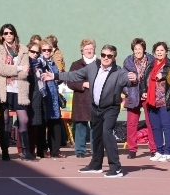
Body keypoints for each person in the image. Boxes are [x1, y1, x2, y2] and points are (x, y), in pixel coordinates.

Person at [43, 44, 138, 177]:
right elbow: (75, 75)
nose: (106, 58)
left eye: (109, 56)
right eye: (103, 55)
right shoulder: (93, 67)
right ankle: (96, 165)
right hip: (95, 107)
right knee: (97, 136)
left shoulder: (119, 71)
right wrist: (54, 76)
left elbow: (128, 80)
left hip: (111, 108)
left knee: (106, 133)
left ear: (114, 58)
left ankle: (116, 168)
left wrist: (134, 79)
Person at [0, 23, 33, 161]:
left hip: (19, 89)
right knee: (5, 119)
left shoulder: (23, 49)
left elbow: (25, 73)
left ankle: (26, 151)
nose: (9, 35)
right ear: (2, 35)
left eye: (11, 33)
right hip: (4, 89)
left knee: (24, 119)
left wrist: (12, 73)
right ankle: (5, 151)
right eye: (6, 33)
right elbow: (0, 69)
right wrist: (19, 68)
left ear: (14, 34)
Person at [122, 38, 155, 159]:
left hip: (147, 95)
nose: (137, 51)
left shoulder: (152, 60)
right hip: (132, 94)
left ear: (144, 49)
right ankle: (132, 149)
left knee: (151, 122)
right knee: (131, 123)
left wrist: (150, 92)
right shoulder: (127, 62)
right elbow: (123, 79)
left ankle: (153, 149)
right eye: (135, 49)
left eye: (139, 48)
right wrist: (127, 91)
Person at [33, 41, 65, 159]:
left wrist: (58, 79)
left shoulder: (53, 63)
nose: (47, 52)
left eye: (49, 50)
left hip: (53, 96)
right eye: (44, 50)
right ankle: (42, 150)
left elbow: (58, 78)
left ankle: (55, 150)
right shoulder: (38, 62)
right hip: (43, 96)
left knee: (55, 123)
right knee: (42, 124)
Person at [142, 42, 170, 162]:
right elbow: (144, 79)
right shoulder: (150, 65)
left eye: (162, 50)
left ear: (166, 52)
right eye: (157, 51)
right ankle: (159, 150)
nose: (159, 53)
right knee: (155, 127)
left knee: (166, 126)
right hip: (151, 101)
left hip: (165, 100)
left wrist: (163, 74)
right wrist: (143, 91)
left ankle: (168, 151)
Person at [67, 39, 97, 159]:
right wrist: (83, 84)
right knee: (80, 126)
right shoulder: (76, 65)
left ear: (94, 49)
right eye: (86, 49)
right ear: (82, 51)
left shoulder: (100, 63)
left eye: (91, 48)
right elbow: (70, 82)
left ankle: (96, 149)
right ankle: (80, 150)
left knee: (96, 126)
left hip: (97, 100)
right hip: (81, 99)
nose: (89, 51)